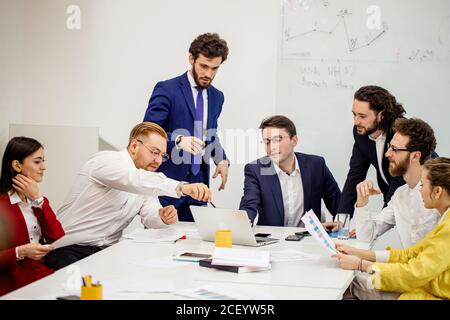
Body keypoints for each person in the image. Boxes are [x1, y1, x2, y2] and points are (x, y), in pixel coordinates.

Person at [46, 122, 211, 270]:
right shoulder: (105, 162)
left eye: (162, 155)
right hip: (67, 249)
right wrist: (181, 187)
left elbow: (150, 216)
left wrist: (162, 217)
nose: (159, 160)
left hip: (105, 252)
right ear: (134, 146)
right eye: (155, 152)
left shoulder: (146, 179)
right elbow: (133, 180)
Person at [334, 157, 450, 300]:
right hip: (420, 287)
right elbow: (409, 255)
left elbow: (414, 273)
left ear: (437, 191)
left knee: (351, 287)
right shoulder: (445, 219)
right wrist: (356, 253)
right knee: (354, 285)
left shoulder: (448, 228)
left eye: (422, 185)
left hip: (426, 292)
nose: (420, 190)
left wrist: (361, 265)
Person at [143, 33, 229, 221]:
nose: (208, 74)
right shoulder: (167, 89)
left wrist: (221, 160)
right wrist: (178, 140)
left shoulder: (217, 97)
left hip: (199, 186)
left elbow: (210, 134)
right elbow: (146, 133)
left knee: (196, 244)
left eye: (215, 68)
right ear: (191, 58)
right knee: (162, 244)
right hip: (168, 184)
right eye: (204, 66)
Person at [239, 115, 341, 227]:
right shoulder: (255, 170)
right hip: (273, 241)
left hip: (308, 240)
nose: (272, 147)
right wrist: (242, 226)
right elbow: (249, 206)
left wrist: (340, 225)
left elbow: (338, 205)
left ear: (294, 140)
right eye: (267, 142)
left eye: (277, 140)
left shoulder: (316, 165)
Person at [355, 118, 439, 248]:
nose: (387, 154)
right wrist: (362, 201)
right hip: (409, 267)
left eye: (394, 149)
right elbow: (366, 236)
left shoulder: (440, 193)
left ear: (415, 156)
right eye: (389, 147)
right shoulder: (400, 195)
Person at [0, 137, 64, 296]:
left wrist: (38, 200)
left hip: (43, 278)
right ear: (17, 165)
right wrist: (19, 252)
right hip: (13, 286)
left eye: (43, 161)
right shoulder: (2, 205)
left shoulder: (39, 201)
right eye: (37, 162)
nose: (43, 167)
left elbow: (58, 238)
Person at [338, 86, 406, 215]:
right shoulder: (361, 133)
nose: (356, 121)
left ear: (381, 115)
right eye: (354, 114)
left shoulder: (401, 133)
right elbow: (355, 174)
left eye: (362, 116)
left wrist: (378, 224)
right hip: (393, 198)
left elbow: (400, 180)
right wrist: (342, 219)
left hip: (426, 198)